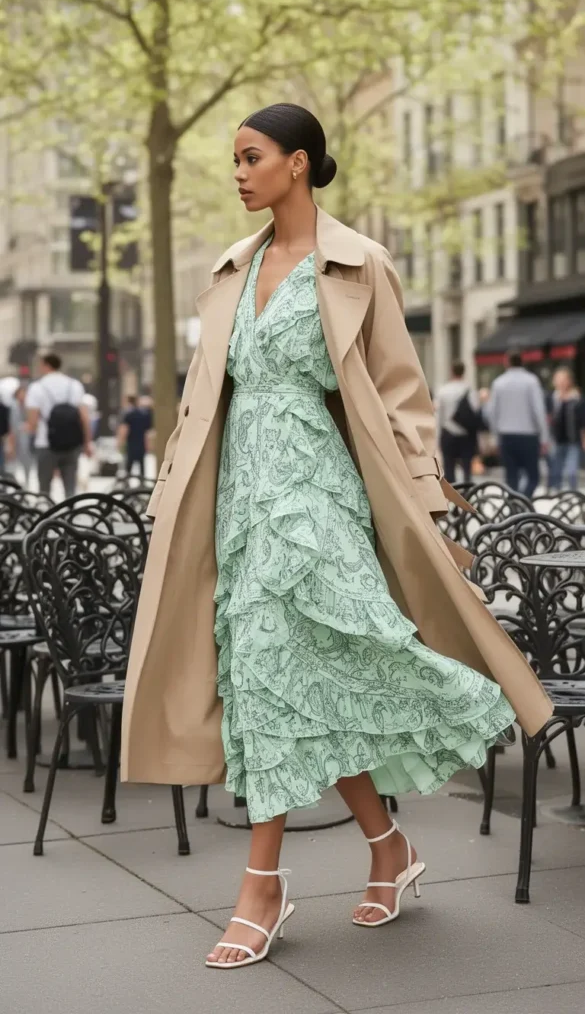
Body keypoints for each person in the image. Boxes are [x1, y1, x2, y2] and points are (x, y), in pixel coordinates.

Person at [121, 103, 552, 969]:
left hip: (318, 495)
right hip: (240, 497)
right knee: (284, 679)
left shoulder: (358, 262)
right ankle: (387, 848)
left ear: (298, 162)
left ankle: (260, 887)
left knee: (304, 664)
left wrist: (424, 500)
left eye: (251, 157)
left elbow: (400, 394)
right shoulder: (233, 267)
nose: (238, 173)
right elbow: (207, 397)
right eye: (234, 159)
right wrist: (171, 487)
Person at [25, 353, 91, 498]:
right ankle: (71, 510)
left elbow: (33, 422)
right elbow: (84, 417)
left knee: (44, 489)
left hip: (45, 443)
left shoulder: (36, 387)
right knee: (70, 487)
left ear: (46, 365)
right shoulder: (74, 385)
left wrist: (28, 432)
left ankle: (46, 510)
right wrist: (87, 443)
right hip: (72, 442)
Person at [486, 351, 548, 498]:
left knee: (511, 477)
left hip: (506, 435)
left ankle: (515, 504)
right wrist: (544, 437)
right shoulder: (531, 381)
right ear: (522, 361)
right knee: (533, 476)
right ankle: (523, 501)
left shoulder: (498, 383)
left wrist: (495, 437)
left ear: (506, 362)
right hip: (529, 435)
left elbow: (492, 412)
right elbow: (539, 410)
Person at [436, 360, 479, 484]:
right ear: (464, 372)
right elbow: (475, 412)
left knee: (449, 467)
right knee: (467, 468)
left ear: (451, 372)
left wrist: (438, 437)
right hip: (466, 434)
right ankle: (467, 491)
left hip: (448, 433)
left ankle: (453, 491)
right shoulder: (470, 391)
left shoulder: (443, 390)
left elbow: (439, 416)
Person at [548, 367, 585, 490]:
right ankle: (557, 493)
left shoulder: (577, 398)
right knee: (555, 471)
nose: (561, 382)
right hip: (556, 440)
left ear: (569, 381)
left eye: (563, 379)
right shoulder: (552, 398)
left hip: (573, 440)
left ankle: (573, 493)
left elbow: (582, 421)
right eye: (558, 379)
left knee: (571, 471)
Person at [117, 395, 152, 479]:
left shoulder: (128, 414)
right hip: (141, 442)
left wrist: (120, 442)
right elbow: (147, 432)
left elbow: (125, 429)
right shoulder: (144, 414)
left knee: (129, 464)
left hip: (131, 443)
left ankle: (127, 480)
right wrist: (148, 444)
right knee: (141, 464)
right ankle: (142, 480)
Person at [7, 385, 34, 487]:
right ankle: (14, 484)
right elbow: (11, 427)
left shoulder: (31, 406)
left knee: (28, 462)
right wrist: (11, 445)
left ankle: (27, 481)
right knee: (13, 463)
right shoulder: (13, 408)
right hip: (17, 439)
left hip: (29, 440)